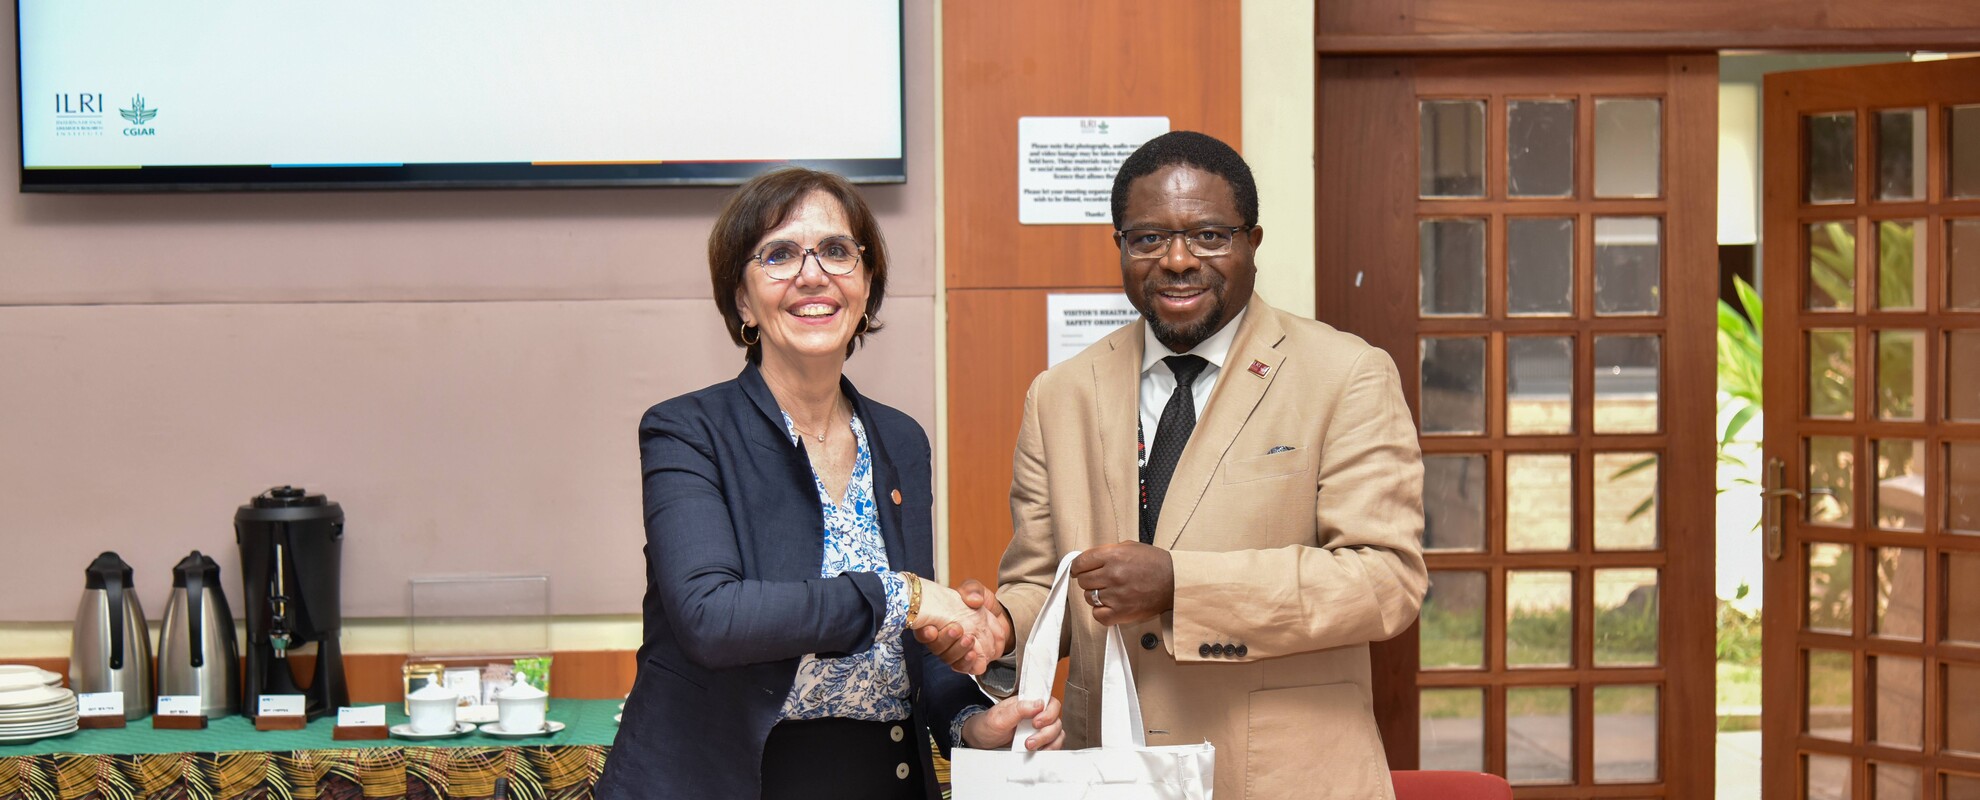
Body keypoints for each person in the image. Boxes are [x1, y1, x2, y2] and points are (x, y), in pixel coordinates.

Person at [934, 131, 1428, 799]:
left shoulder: (1346, 375)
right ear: (1120, 247)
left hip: (1280, 779)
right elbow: (1043, 578)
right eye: (1146, 240)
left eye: (1208, 237)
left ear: (1253, 241)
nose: (1175, 260)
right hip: (1105, 774)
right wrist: (1005, 629)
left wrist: (1179, 585)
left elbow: (1384, 581)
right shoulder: (1061, 393)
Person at [594, 168, 1061, 800]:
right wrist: (907, 595)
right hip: (729, 778)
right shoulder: (687, 430)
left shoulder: (900, 440)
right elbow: (711, 617)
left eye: (838, 252)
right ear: (740, 301)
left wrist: (970, 724)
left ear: (866, 287)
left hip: (881, 775)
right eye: (780, 254)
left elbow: (905, 647)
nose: (813, 275)